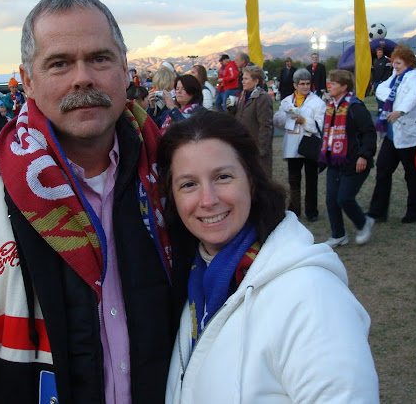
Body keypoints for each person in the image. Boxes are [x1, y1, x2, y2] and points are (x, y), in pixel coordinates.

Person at [0, 0, 192, 403]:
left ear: (125, 70)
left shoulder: (182, 185)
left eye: (100, 58)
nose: (82, 76)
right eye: (60, 63)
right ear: (27, 81)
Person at [158, 111, 379, 403]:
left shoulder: (310, 294)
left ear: (250, 179)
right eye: (188, 184)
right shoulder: (197, 281)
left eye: (223, 177)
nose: (208, 200)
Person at [367, 45, 416, 224]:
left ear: (409, 62)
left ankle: (415, 212)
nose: (395, 66)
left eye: (399, 63)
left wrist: (400, 109)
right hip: (393, 134)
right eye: (394, 62)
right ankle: (378, 211)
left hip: (410, 133)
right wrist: (394, 99)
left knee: (412, 174)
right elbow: (380, 89)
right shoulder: (396, 78)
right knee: (383, 169)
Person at [320, 70, 377, 247]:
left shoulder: (355, 107)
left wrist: (364, 155)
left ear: (344, 87)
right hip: (335, 161)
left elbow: (369, 132)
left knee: (344, 198)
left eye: (334, 83)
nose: (329, 86)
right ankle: (338, 235)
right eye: (329, 82)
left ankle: (363, 222)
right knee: (331, 199)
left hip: (354, 161)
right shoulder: (330, 106)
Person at [273, 68, 326, 221]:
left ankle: (312, 211)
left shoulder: (318, 103)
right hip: (292, 146)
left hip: (309, 146)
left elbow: (321, 126)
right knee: (294, 180)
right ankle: (295, 209)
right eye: (302, 84)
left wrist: (303, 121)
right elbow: (278, 120)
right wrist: (288, 118)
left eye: (308, 83)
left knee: (311, 180)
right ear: (295, 85)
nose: (305, 87)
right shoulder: (286, 101)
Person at [229, 64, 273, 178]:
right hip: (243, 146)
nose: (242, 81)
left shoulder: (263, 98)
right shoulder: (243, 96)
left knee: (259, 182)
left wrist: (261, 150)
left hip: (256, 150)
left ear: (256, 81)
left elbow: (266, 125)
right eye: (242, 78)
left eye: (246, 79)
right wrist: (232, 109)